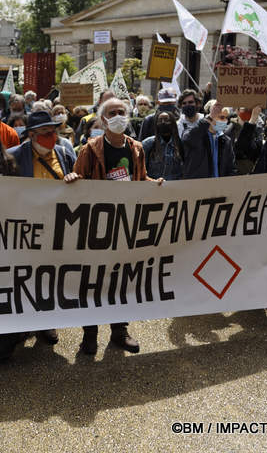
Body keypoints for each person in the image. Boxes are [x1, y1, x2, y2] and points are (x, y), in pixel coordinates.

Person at [65, 96, 161, 356]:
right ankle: (90, 335)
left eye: (121, 111)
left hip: (126, 225)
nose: (118, 115)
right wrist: (73, 177)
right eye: (112, 112)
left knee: (121, 279)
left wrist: (154, 184)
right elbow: (78, 178)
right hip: (96, 227)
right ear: (103, 119)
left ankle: (120, 331)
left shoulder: (137, 148)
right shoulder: (90, 149)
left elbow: (139, 178)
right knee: (92, 281)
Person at [8, 110, 76, 346]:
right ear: (32, 135)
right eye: (46, 133)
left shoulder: (65, 153)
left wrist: (74, 180)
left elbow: (79, 185)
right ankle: (24, 323)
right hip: (26, 229)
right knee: (26, 277)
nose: (52, 136)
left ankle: (46, 323)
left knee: (50, 277)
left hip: (57, 228)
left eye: (53, 132)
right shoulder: (13, 157)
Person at [181, 101, 237, 179]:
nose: (223, 120)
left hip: (219, 188)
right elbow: (189, 139)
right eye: (219, 116)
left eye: (225, 117)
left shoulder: (226, 140)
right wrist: (210, 117)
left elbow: (231, 168)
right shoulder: (193, 132)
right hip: (198, 187)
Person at [141, 111, 183, 180]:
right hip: (153, 186)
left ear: (172, 123)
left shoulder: (180, 143)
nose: (163, 122)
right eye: (160, 120)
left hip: (175, 186)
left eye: (166, 120)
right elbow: (141, 169)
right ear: (156, 123)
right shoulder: (148, 143)